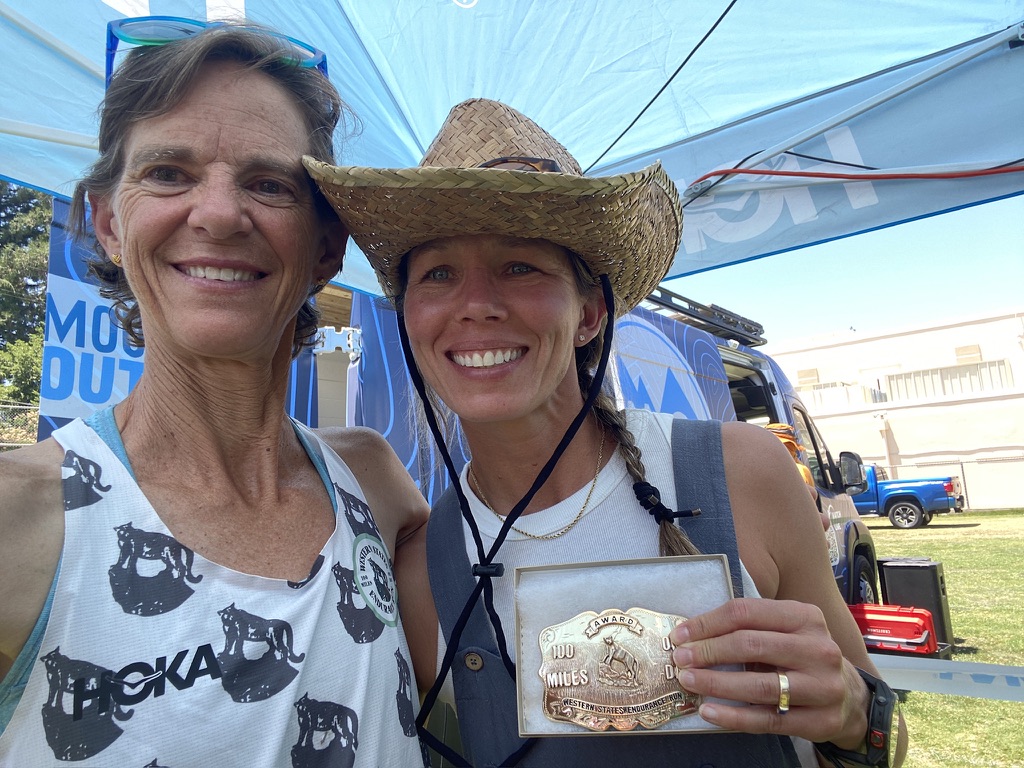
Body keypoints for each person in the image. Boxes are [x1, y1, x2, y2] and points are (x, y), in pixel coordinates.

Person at [307, 98, 908, 768]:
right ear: (410, 317)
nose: (476, 304)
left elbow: (879, 737)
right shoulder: (421, 573)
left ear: (591, 311)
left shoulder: (743, 474)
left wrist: (856, 713)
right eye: (439, 273)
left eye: (520, 266)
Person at [0, 22, 429, 766]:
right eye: (168, 173)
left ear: (327, 247)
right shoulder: (21, 519)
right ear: (107, 223)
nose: (220, 214)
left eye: (269, 184)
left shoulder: (376, 489)